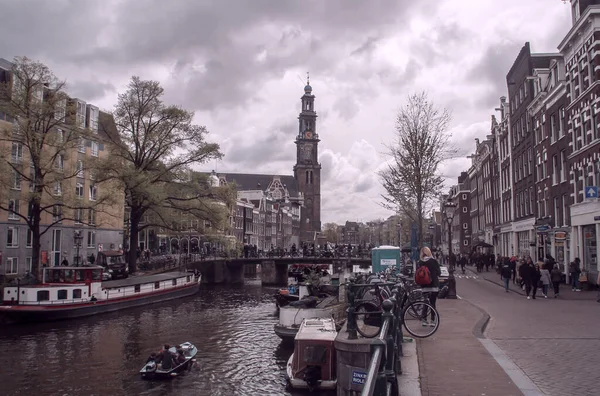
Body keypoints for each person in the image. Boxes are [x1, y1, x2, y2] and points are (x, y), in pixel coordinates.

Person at [417, 247, 441, 327]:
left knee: (425, 302)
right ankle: (433, 320)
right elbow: (439, 273)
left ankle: (424, 320)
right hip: (433, 285)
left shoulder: (420, 262)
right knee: (433, 303)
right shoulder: (433, 261)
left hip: (424, 285)